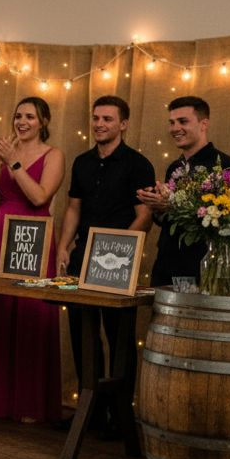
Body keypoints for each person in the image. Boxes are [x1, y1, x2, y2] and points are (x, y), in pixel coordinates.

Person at [57, 96, 154, 418]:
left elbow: (145, 216)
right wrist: (63, 246)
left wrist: (116, 250)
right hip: (81, 256)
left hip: (118, 262)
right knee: (82, 333)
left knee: (119, 338)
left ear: (123, 124)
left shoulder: (138, 164)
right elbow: (74, 208)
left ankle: (121, 417)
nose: (99, 124)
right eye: (96, 118)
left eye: (107, 119)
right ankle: (91, 413)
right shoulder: (82, 162)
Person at [0, 96, 65, 424]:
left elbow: (39, 197)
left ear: (43, 122)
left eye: (29, 117)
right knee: (0, 312)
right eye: (18, 116)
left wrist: (14, 163)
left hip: (34, 237)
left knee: (31, 315)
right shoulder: (4, 152)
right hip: (1, 235)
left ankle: (30, 403)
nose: (22, 122)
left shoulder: (54, 155)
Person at [136, 95, 230, 288]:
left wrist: (173, 205)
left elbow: (228, 221)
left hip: (202, 266)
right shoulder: (174, 167)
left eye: (183, 121)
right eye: (172, 122)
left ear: (203, 124)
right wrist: (156, 206)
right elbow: (167, 219)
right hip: (166, 264)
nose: (175, 128)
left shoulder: (224, 165)